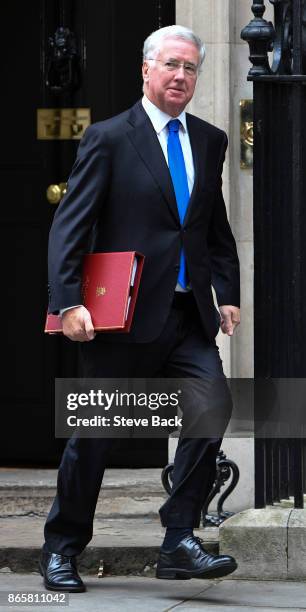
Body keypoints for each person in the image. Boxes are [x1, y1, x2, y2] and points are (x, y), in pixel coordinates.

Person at [40, 25, 240, 592]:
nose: (182, 76)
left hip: (187, 317)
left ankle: (179, 538)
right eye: (172, 65)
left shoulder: (210, 139)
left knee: (212, 407)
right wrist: (68, 302)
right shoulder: (108, 137)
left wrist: (227, 292)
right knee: (94, 438)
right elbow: (69, 226)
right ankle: (61, 548)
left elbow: (210, 225)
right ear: (146, 70)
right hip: (122, 319)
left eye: (191, 69)